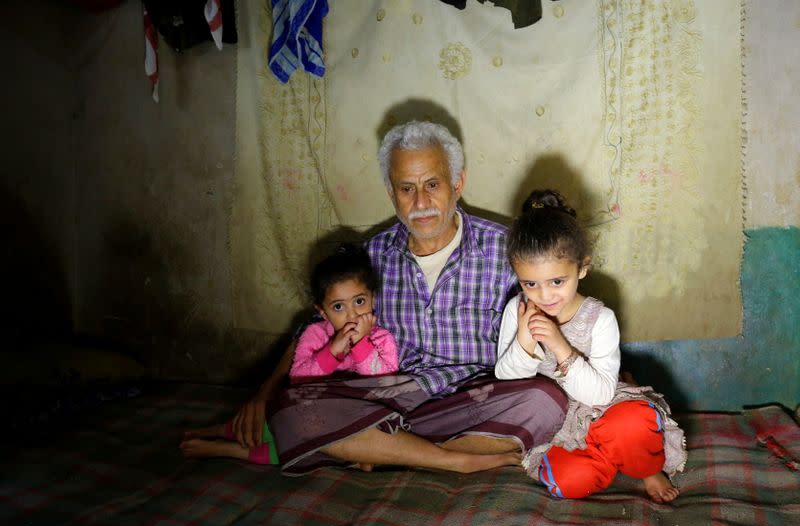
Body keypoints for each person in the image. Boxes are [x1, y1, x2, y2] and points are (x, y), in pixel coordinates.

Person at [230, 120, 570, 475]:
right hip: (388, 398)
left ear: (458, 183)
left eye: (432, 185)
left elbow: (559, 309)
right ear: (392, 194)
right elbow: (315, 327)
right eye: (406, 189)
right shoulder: (372, 257)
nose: (421, 202)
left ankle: (381, 449)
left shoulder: (506, 249)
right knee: (292, 406)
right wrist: (265, 391)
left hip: (476, 396)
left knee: (547, 403)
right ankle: (451, 459)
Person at [495, 189, 686, 502]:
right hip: (556, 424)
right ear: (518, 275)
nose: (544, 296)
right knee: (568, 482)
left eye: (557, 281)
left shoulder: (600, 318)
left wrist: (560, 347)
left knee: (633, 425)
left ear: (582, 267)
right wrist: (524, 341)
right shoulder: (518, 311)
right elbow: (506, 380)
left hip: (605, 407)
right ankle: (614, 459)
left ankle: (646, 467)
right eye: (530, 283)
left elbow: (600, 394)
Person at [181, 244, 399, 464]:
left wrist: (361, 344)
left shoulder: (382, 339)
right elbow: (299, 377)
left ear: (373, 299)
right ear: (322, 311)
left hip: (344, 415)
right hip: (309, 408)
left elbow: (383, 381)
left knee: (300, 451)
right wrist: (332, 351)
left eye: (359, 302)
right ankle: (218, 431)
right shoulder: (315, 334)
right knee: (277, 421)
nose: (352, 315)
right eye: (338, 307)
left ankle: (225, 450)